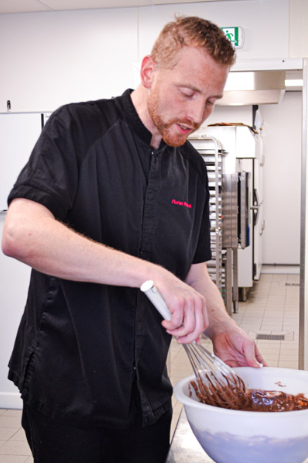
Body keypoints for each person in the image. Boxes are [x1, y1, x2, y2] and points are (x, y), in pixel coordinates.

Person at [2, 15, 266, 463]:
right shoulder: (77, 128)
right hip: (69, 389)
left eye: (211, 101)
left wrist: (222, 327)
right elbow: (20, 233)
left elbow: (193, 272)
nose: (196, 115)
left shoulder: (192, 169)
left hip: (146, 394)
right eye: (187, 93)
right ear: (148, 72)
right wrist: (150, 276)